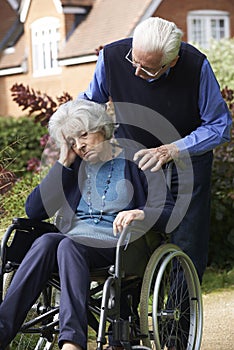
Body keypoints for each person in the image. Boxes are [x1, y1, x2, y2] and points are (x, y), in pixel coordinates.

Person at [0, 99, 175, 350]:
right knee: (48, 240)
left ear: (103, 129)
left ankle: (72, 342)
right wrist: (63, 163)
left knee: (67, 246)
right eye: (72, 141)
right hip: (72, 244)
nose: (79, 145)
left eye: (83, 135)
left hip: (119, 246)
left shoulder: (137, 161)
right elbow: (35, 211)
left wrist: (141, 213)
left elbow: (167, 212)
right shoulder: (74, 167)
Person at [78, 16, 232, 282]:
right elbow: (91, 103)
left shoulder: (196, 65)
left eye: (147, 69)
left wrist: (171, 149)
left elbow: (219, 126)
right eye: (134, 61)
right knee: (126, 237)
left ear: (171, 61)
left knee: (187, 242)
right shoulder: (113, 56)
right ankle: (123, 315)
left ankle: (180, 317)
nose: (136, 72)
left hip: (187, 165)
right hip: (132, 162)